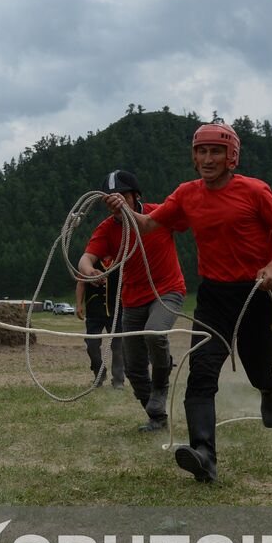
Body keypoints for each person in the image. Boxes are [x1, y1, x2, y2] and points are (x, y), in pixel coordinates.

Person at [107, 123, 272, 482]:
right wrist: (123, 209)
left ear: (232, 157)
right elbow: (148, 225)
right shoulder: (186, 195)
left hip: (257, 293)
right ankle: (203, 455)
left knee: (258, 366)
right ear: (194, 157)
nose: (208, 159)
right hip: (214, 297)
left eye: (216, 152)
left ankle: (269, 389)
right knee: (202, 373)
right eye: (202, 151)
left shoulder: (255, 191)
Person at [80, 170, 186, 432]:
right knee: (134, 365)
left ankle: (161, 385)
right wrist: (89, 270)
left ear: (135, 196)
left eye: (122, 197)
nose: (116, 203)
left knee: (154, 334)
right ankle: (156, 416)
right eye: (110, 200)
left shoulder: (159, 213)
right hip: (132, 298)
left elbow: (190, 221)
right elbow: (86, 258)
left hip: (167, 290)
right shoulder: (106, 229)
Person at [75, 256, 125, 390]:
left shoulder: (121, 258)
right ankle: (99, 373)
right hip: (94, 310)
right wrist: (79, 304)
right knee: (92, 345)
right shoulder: (89, 260)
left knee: (118, 346)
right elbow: (80, 282)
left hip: (117, 310)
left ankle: (119, 379)